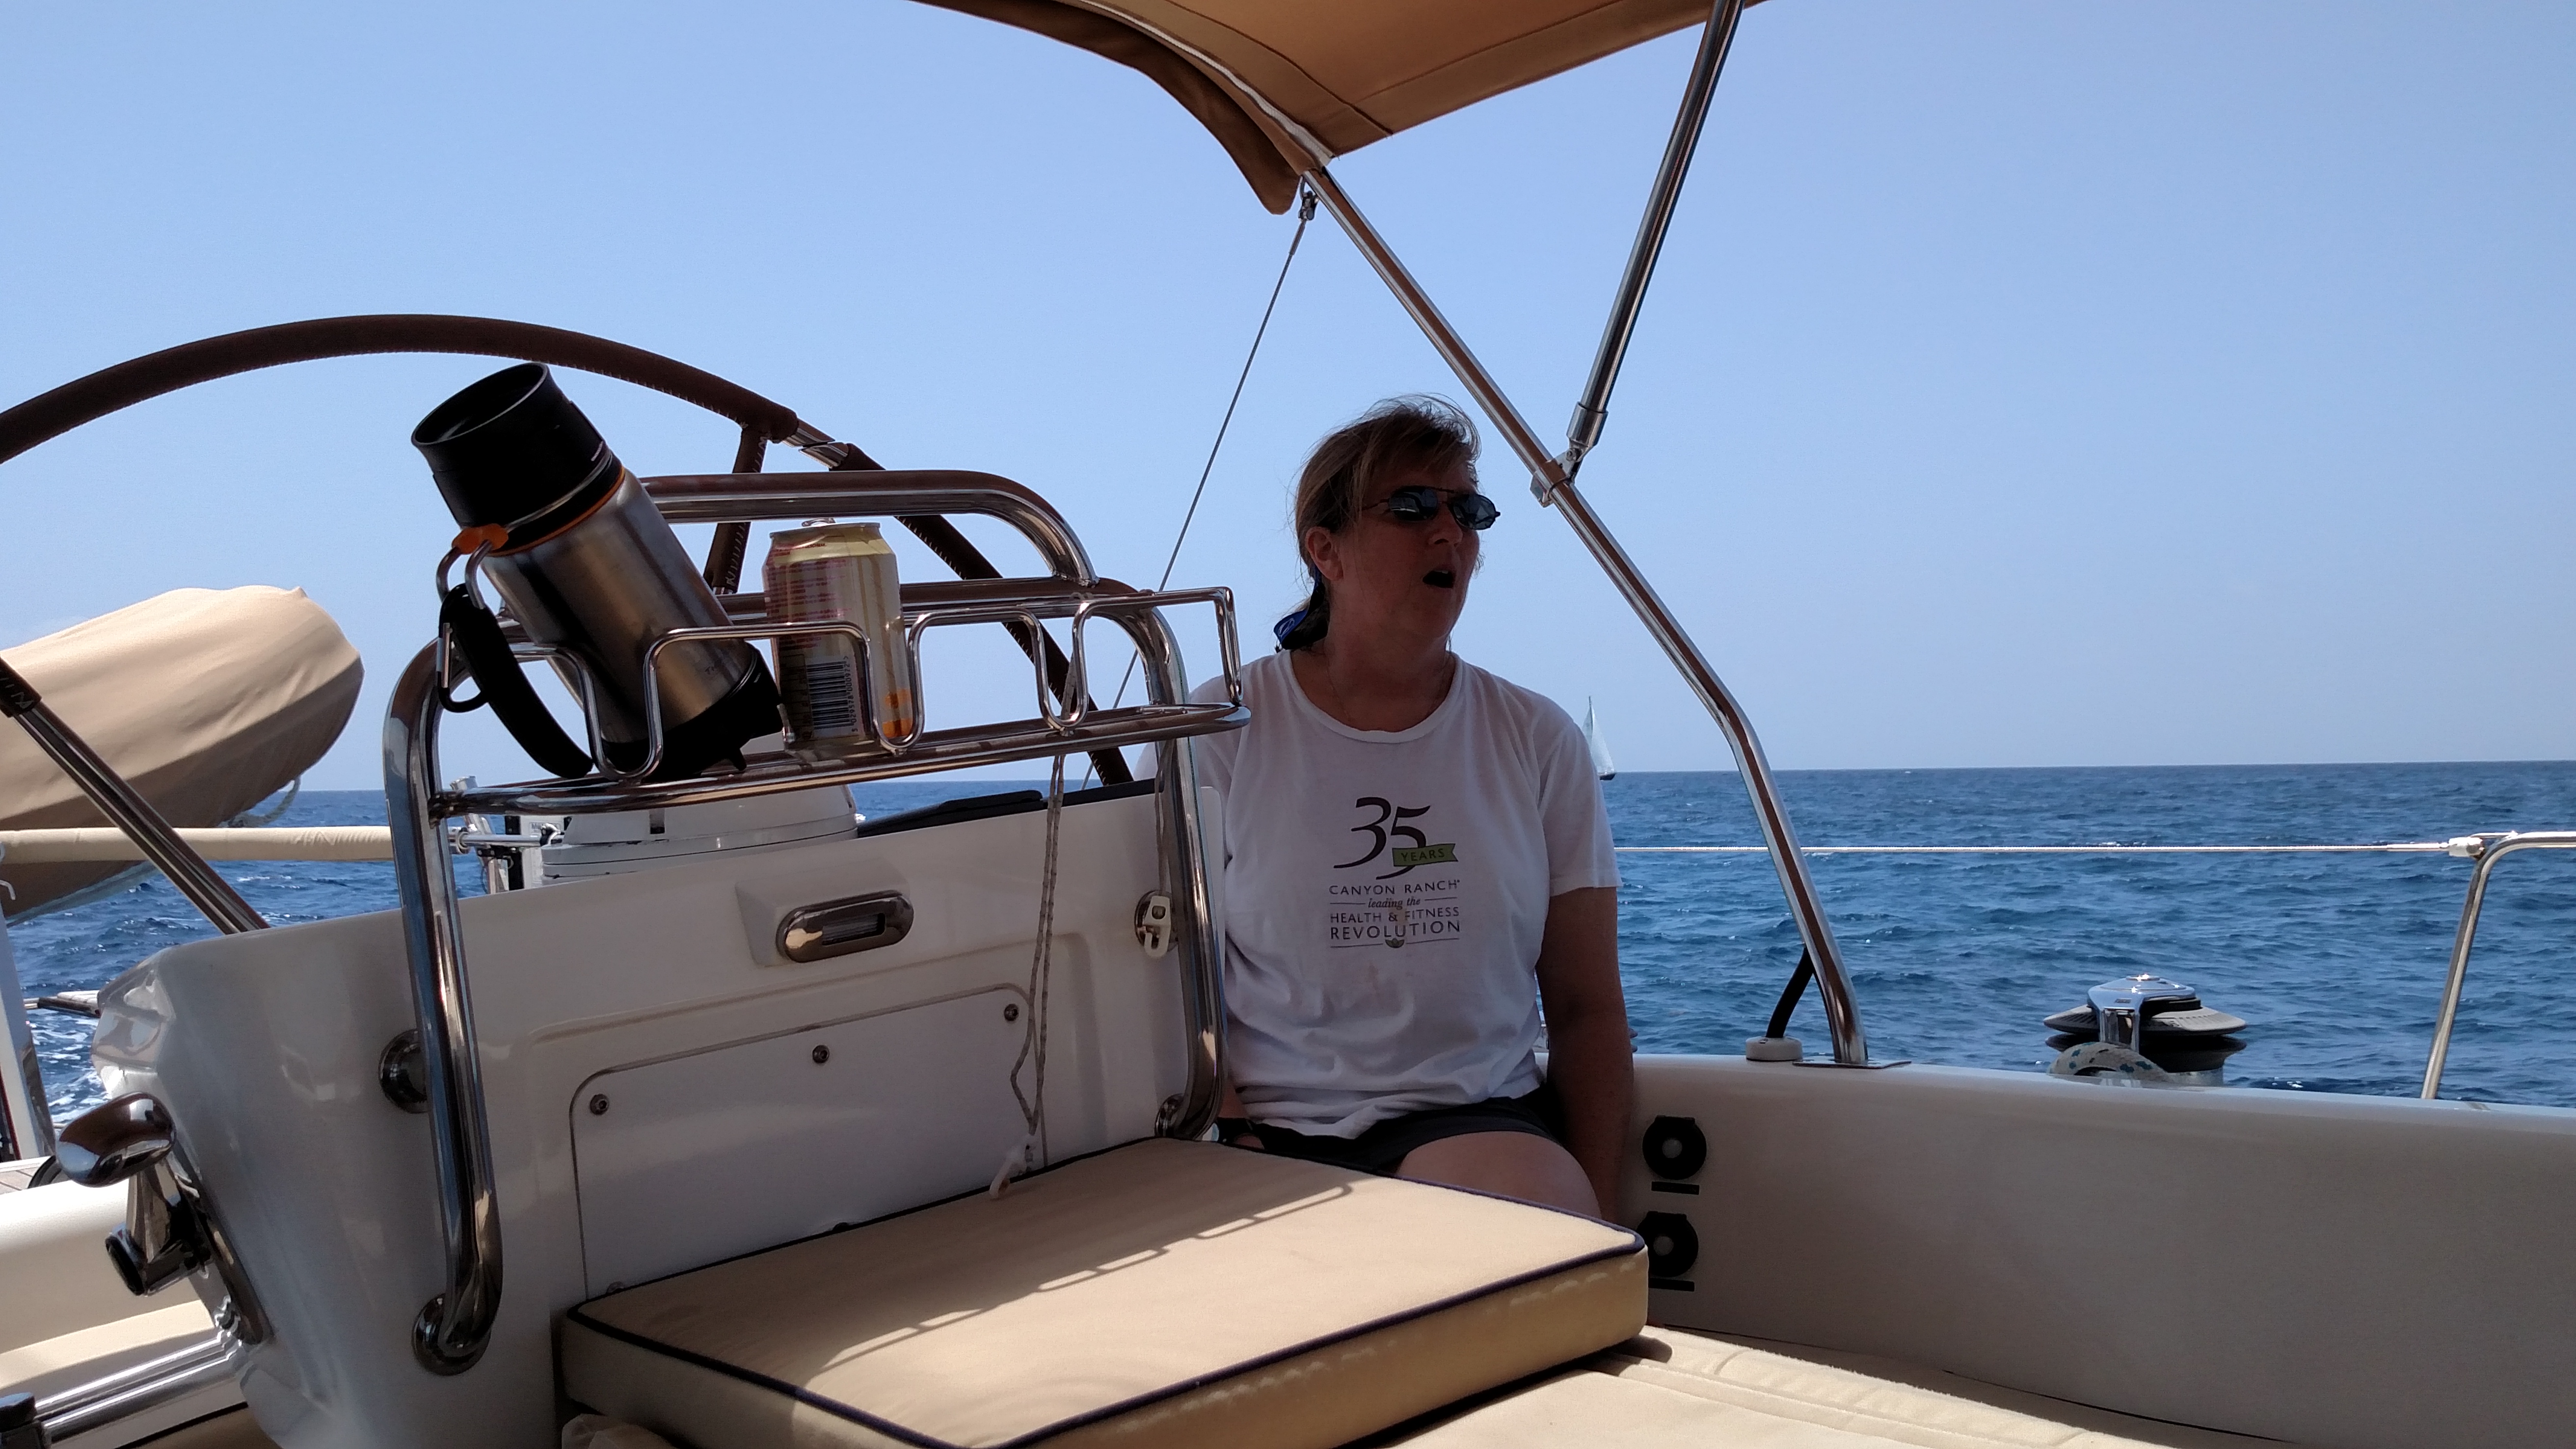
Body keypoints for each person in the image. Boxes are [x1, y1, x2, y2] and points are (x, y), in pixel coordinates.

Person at [1191, 396, 1631, 1220]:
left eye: (1469, 511)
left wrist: (1605, 1228)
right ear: (1325, 550)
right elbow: (1166, 981)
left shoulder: (1537, 739)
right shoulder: (1225, 726)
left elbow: (1585, 1009)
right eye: (1412, 507)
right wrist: (1230, 1127)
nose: (1449, 532)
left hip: (1472, 1119)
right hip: (1262, 1127)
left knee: (1539, 1229)